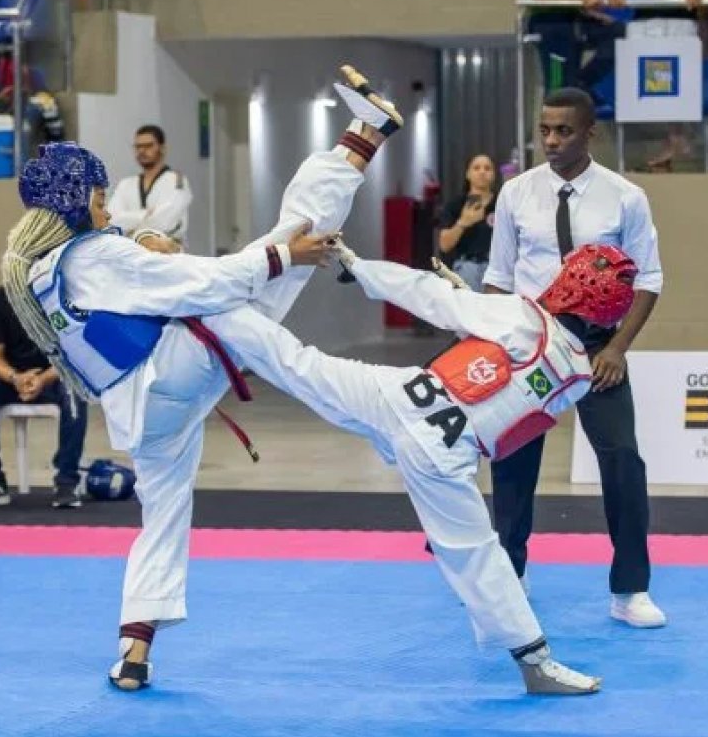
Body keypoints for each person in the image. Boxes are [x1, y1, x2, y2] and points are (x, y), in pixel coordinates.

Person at [0, 65, 401, 692]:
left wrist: (148, 239)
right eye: (99, 199)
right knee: (259, 283)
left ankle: (134, 650)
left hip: (143, 415)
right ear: (76, 204)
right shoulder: (98, 255)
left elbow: (132, 268)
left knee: (161, 514)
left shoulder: (40, 270)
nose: (106, 208)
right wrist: (283, 257)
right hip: (174, 369)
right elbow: (203, 281)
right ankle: (383, 416)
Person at [195, 241, 639, 695]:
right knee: (478, 554)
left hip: (401, 398)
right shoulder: (578, 377)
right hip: (443, 454)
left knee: (300, 364)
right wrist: (476, 314)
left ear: (569, 282)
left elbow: (428, 295)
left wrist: (361, 268)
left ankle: (209, 307)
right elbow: (508, 396)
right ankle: (536, 664)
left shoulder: (519, 315)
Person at [482, 87, 666, 628]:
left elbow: (649, 279)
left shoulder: (625, 197)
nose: (551, 140)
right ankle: (510, 576)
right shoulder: (516, 193)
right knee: (513, 464)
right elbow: (498, 277)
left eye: (564, 131)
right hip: (530, 341)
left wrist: (617, 348)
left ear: (590, 133)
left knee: (623, 460)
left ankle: (630, 589)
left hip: (595, 347)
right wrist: (496, 342)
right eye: (545, 130)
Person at [0, 286, 89, 508]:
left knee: (75, 390)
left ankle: (67, 481)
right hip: (13, 379)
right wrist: (15, 378)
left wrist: (43, 379)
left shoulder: (65, 297)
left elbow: (75, 353)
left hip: (56, 375)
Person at [607, 0, 708, 172]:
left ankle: (677, 137)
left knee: (677, 83)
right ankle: (660, 144)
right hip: (644, 18)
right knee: (644, 84)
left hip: (680, 17)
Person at [106, 124, 193, 248]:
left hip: (167, 251)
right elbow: (112, 219)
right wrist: (146, 214)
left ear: (162, 148)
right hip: (134, 252)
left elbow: (166, 222)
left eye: (148, 146)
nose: (142, 151)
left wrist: (129, 222)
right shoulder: (126, 184)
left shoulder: (176, 180)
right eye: (138, 147)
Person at [436, 154, 497, 291]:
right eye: (476, 168)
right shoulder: (455, 205)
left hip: (495, 270)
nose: (482, 172)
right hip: (466, 267)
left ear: (493, 174)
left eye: (487, 168)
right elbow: (444, 245)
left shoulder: (502, 204)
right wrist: (463, 222)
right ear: (468, 174)